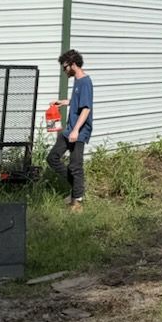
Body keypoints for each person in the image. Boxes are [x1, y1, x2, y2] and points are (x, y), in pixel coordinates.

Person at [46, 49, 93, 211]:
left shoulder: (85, 82)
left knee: (75, 166)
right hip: (70, 129)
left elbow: (86, 108)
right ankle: (76, 190)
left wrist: (76, 131)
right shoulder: (78, 81)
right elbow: (79, 101)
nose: (64, 71)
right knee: (52, 158)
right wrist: (65, 102)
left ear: (73, 65)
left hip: (78, 131)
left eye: (65, 67)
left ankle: (77, 202)